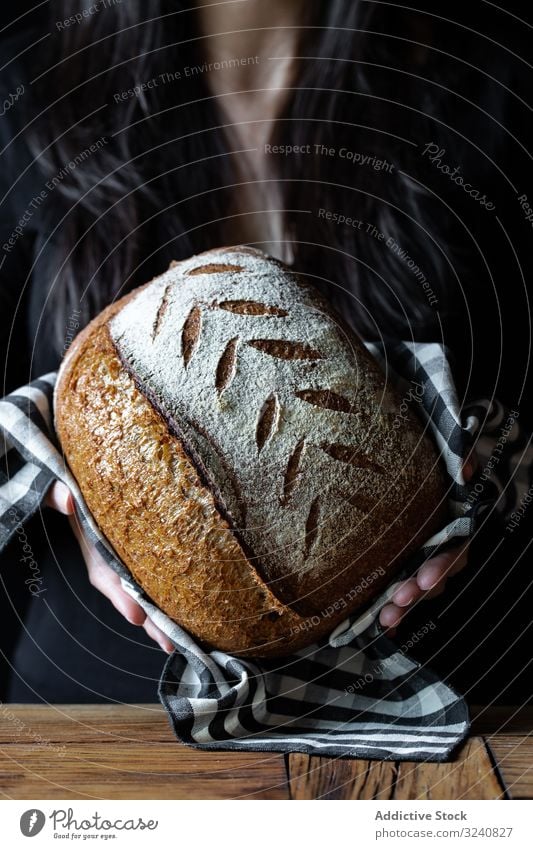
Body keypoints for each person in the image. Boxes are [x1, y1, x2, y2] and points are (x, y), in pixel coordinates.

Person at [0, 0, 530, 703]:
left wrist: (485, 493)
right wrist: (64, 496)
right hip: (97, 703)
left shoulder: (494, 80)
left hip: (446, 690)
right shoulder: (32, 75)